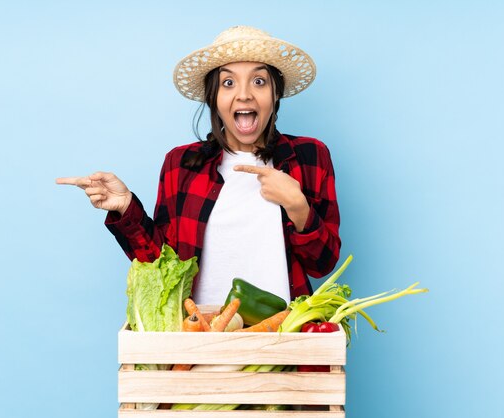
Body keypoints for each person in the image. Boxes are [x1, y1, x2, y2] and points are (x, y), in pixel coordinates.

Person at [56, 26, 341, 305]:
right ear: (213, 98)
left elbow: (322, 264)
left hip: (284, 337)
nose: (244, 95)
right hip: (200, 336)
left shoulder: (309, 156)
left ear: (275, 94)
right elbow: (165, 266)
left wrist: (298, 207)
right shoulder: (180, 164)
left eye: (259, 81)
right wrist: (126, 207)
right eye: (228, 83)